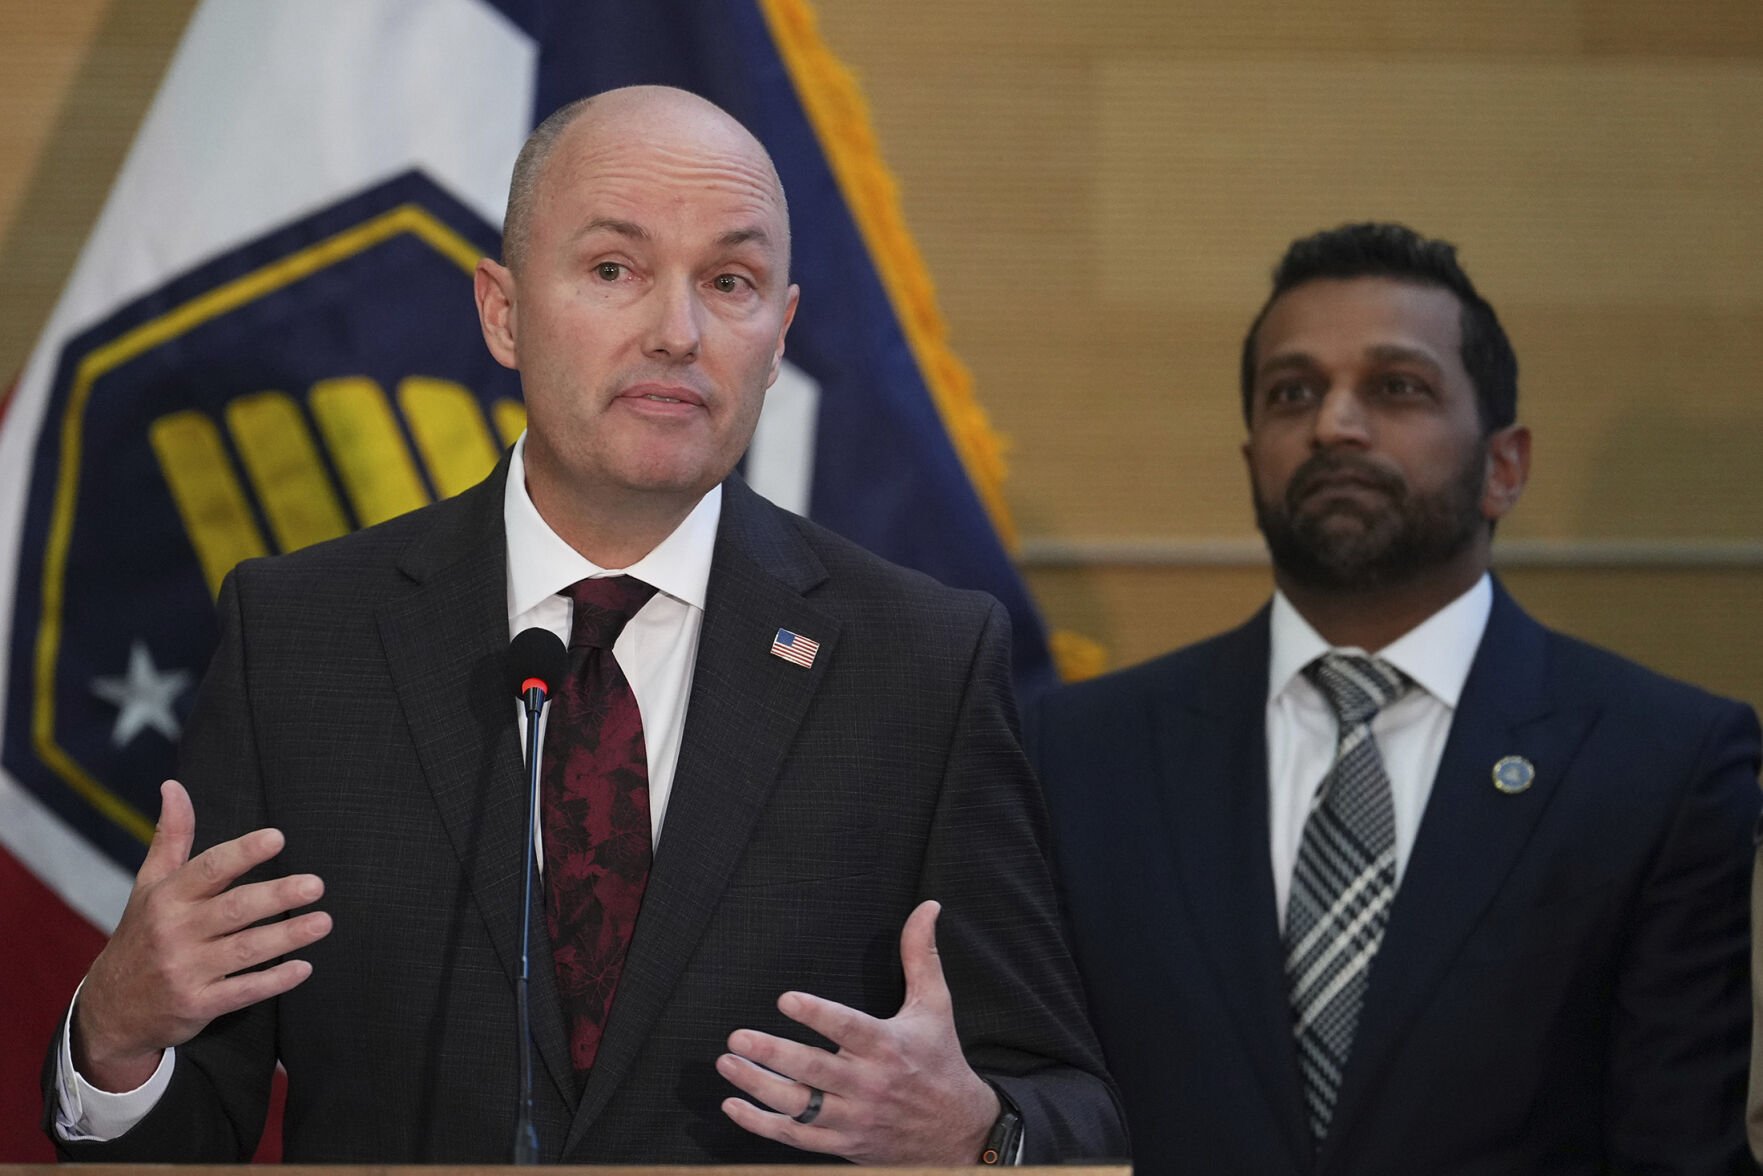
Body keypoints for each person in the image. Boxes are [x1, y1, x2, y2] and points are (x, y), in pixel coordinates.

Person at [45, 86, 1125, 1164]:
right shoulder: (301, 642)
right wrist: (115, 1039)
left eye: (731, 282)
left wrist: (980, 1137)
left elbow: (1071, 1102)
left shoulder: (919, 665)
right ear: (502, 312)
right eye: (614, 270)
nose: (676, 331)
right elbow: (192, 1135)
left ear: (781, 331)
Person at [1027, 222, 1760, 1174]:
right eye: (1293, 393)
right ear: (1252, 460)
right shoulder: (1077, 752)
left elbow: (1676, 1150)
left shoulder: (1662, 763)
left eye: (1395, 387)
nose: (1333, 423)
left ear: (1505, 466)